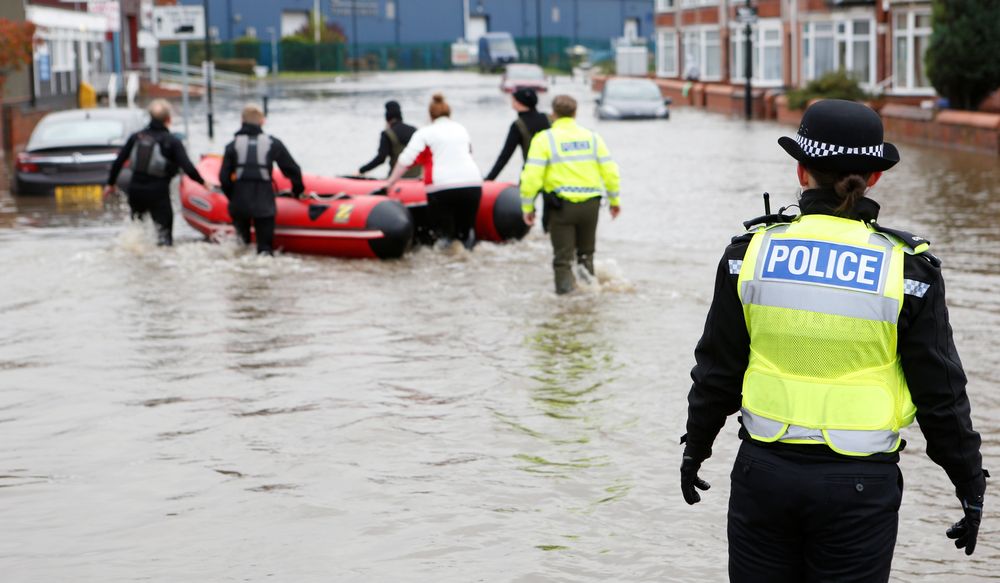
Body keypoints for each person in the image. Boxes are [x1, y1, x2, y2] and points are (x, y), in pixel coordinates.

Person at [680, 99, 987, 582]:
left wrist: (695, 446)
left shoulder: (749, 256)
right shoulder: (908, 270)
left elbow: (717, 370)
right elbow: (941, 393)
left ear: (802, 172)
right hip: (860, 487)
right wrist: (968, 481)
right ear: (874, 177)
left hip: (764, 474)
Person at [519, 95, 620, 294]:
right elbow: (610, 172)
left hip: (562, 207)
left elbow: (531, 177)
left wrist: (527, 206)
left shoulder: (544, 139)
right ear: (575, 113)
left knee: (563, 260)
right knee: (586, 255)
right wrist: (615, 200)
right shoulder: (592, 137)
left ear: (553, 114)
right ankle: (590, 301)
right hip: (591, 205)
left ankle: (567, 307)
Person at [105, 99, 210, 246]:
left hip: (135, 191)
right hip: (158, 193)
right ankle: (161, 263)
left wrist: (110, 184)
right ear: (169, 119)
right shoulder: (172, 141)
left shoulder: (136, 137)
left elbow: (118, 162)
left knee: (137, 230)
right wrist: (203, 183)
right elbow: (188, 168)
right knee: (164, 236)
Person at [385, 93, 483, 249]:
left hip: (442, 187)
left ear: (430, 115)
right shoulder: (461, 129)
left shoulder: (425, 132)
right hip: (472, 183)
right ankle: (468, 265)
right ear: (449, 113)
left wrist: (390, 182)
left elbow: (405, 160)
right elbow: (469, 152)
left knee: (444, 235)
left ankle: (445, 268)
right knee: (465, 233)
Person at [218, 104, 304, 256]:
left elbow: (223, 179)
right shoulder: (273, 143)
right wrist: (297, 191)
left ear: (242, 121)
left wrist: (233, 197)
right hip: (264, 203)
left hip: (239, 203)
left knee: (241, 246)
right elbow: (293, 170)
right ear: (262, 121)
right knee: (264, 250)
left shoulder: (232, 146)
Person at [485, 88, 550, 181]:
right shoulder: (549, 118)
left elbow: (505, 157)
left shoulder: (517, 125)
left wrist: (489, 179)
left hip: (532, 174)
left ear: (519, 103)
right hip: (553, 172)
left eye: (513, 100)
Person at [358, 100, 421, 179]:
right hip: (417, 178)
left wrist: (361, 170)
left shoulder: (387, 134)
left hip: (396, 179)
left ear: (387, 116)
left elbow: (381, 159)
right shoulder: (415, 130)